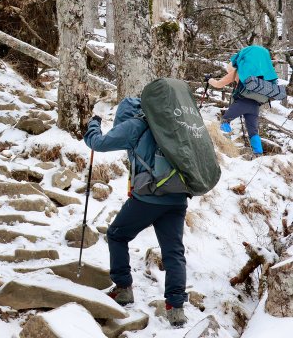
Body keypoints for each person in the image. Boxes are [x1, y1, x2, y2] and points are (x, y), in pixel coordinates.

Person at [84, 98, 189, 328]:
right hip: (177, 196)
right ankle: (176, 308)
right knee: (173, 251)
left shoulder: (134, 125)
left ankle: (123, 289)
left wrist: (95, 121)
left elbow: (98, 143)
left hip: (149, 197)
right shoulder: (168, 123)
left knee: (117, 234)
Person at [208, 45, 278, 155]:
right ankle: (258, 154)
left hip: (242, 103)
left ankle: (225, 147)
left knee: (224, 121)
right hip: (255, 106)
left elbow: (218, 84)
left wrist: (210, 80)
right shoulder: (262, 75)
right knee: (253, 132)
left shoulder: (239, 72)